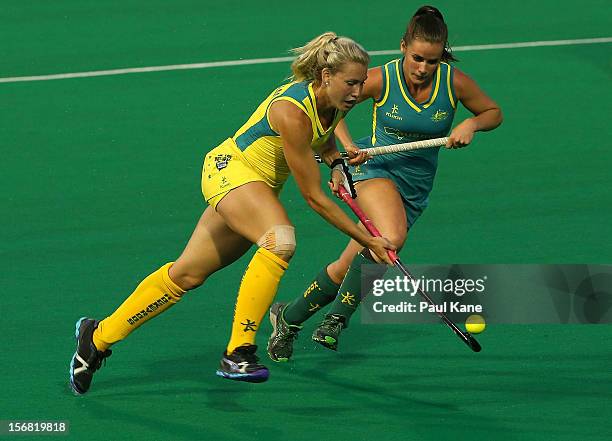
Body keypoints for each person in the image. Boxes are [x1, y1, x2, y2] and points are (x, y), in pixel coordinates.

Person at [68, 32, 397, 393]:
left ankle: (96, 338)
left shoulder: (334, 105)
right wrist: (367, 239)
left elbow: (324, 136)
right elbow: (314, 198)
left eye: (361, 82)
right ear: (325, 77)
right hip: (230, 171)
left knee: (187, 275)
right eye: (350, 82)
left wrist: (336, 162)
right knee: (280, 240)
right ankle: (238, 351)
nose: (357, 91)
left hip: (256, 190)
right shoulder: (292, 111)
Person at [267, 5, 503, 361]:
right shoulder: (381, 78)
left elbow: (493, 112)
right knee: (389, 241)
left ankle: (288, 317)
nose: (423, 69)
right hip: (374, 169)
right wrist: (345, 151)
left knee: (350, 265)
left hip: (414, 189)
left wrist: (470, 125)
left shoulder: (453, 83)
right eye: (417, 58)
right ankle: (335, 322)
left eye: (432, 61)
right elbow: (332, 108)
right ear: (403, 46)